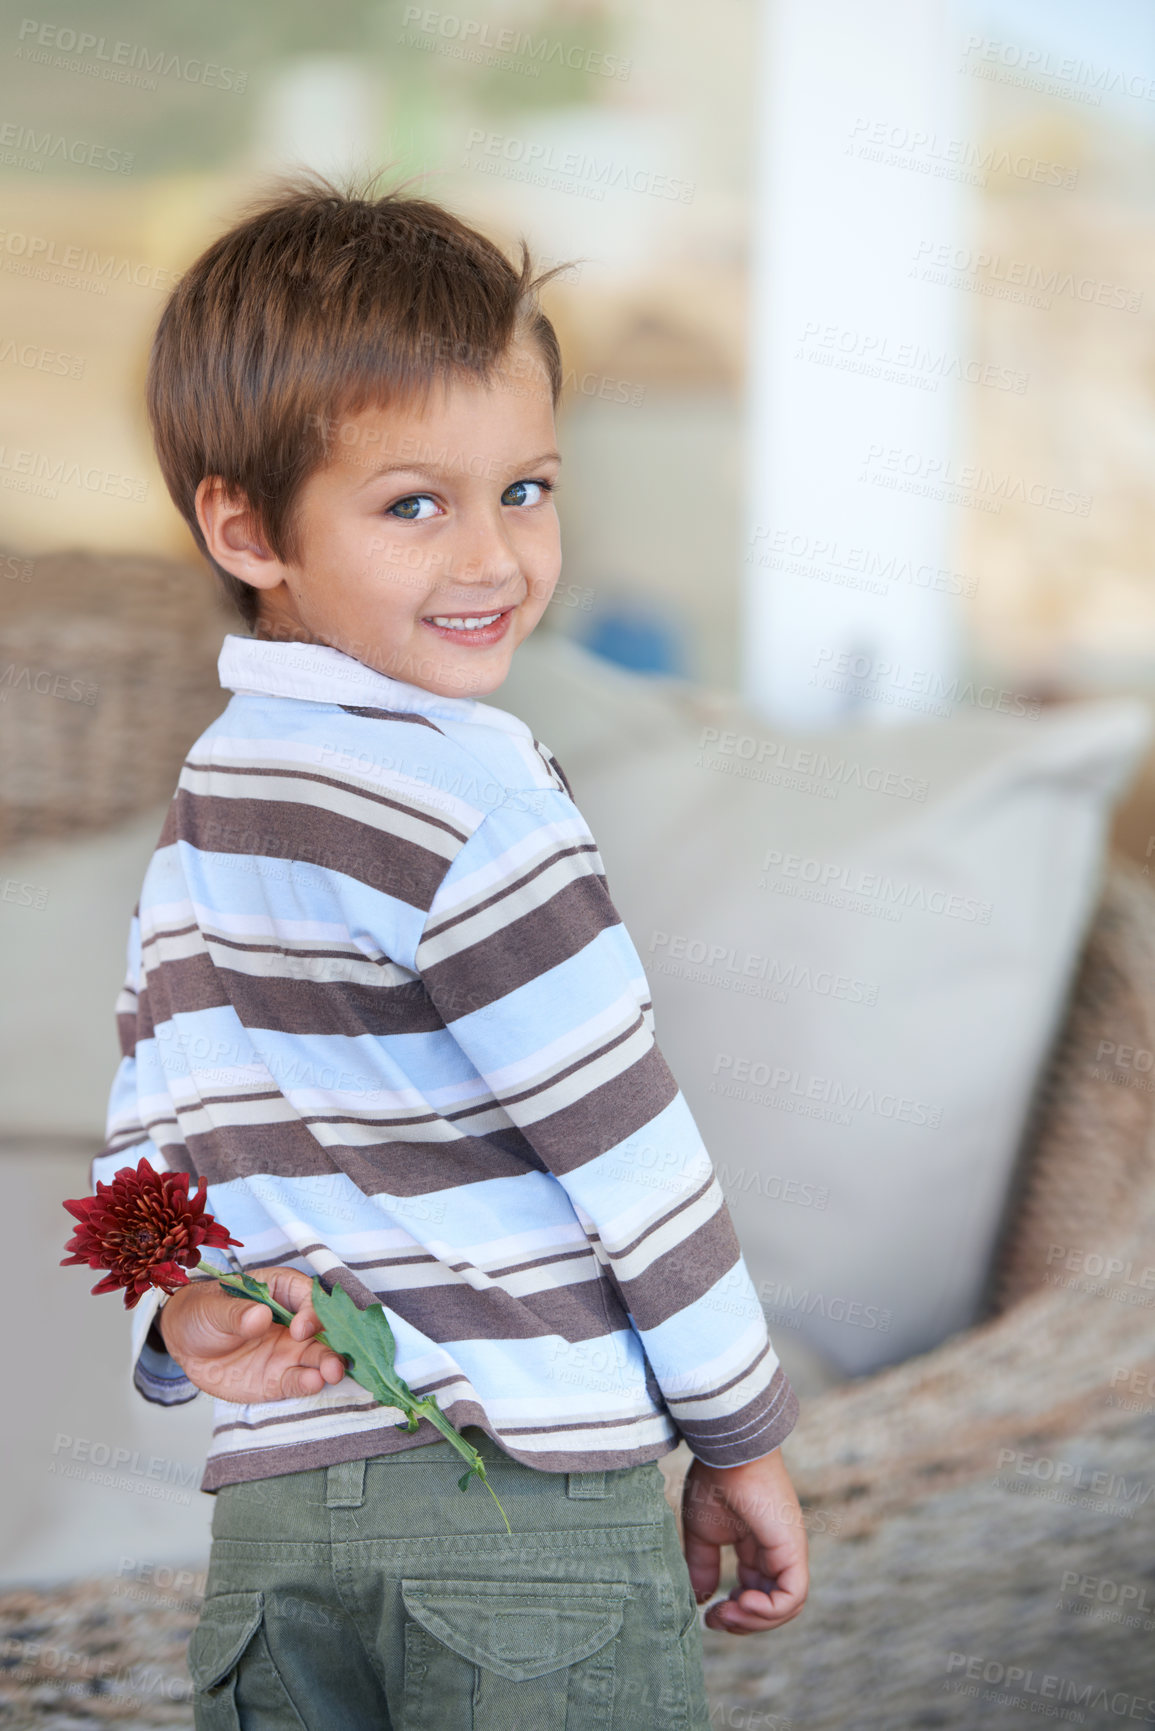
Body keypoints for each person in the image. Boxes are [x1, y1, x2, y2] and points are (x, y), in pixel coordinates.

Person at [98, 170, 808, 1728]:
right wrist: (742, 1435)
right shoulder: (475, 792)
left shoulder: (215, 793)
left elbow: (148, 1135)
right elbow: (628, 1152)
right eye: (415, 503)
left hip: (277, 1543)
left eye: (527, 489)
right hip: (527, 1513)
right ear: (245, 524)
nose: (491, 557)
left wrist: (181, 1313)